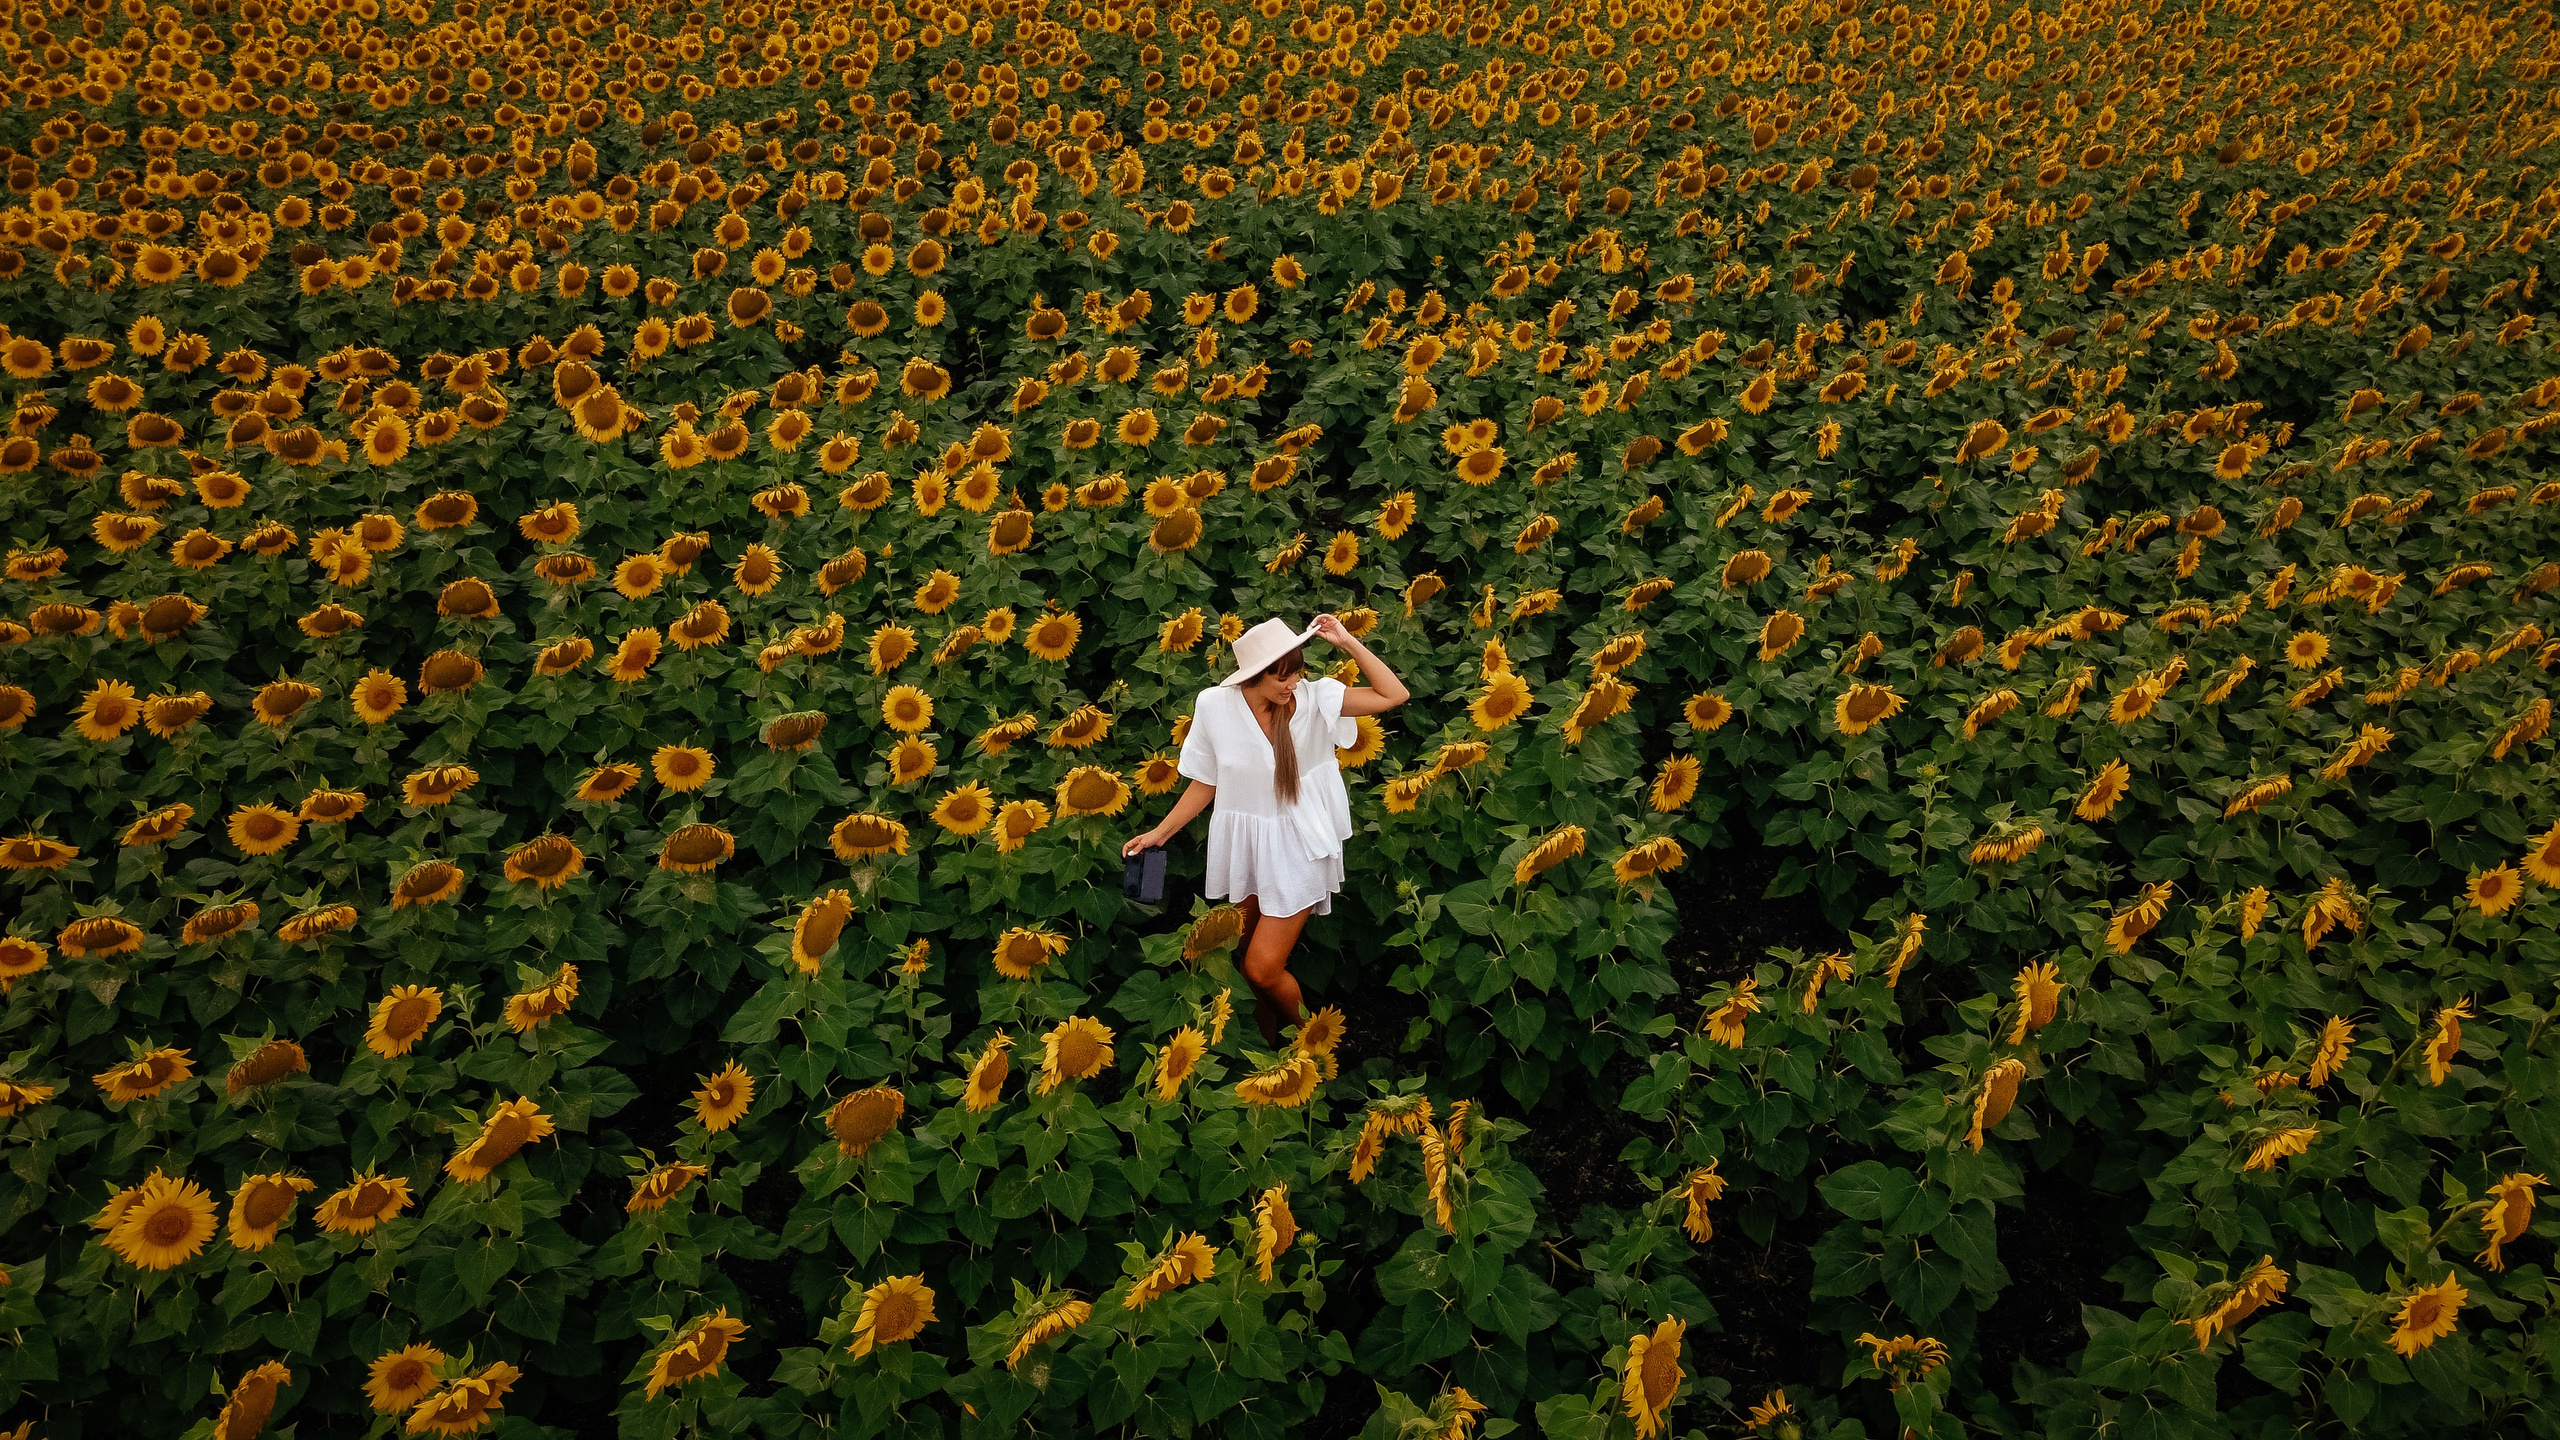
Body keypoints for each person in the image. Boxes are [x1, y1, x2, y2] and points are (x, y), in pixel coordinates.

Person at [1123, 613, 1409, 1045]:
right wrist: (1159, 834)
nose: (1293, 683)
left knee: (1262, 968)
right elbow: (1207, 780)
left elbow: (1394, 694)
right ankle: (1267, 1047)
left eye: (1298, 672)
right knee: (1243, 958)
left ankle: (1311, 1044)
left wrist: (1346, 641)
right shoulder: (1214, 705)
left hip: (1300, 846)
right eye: (1283, 677)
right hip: (1247, 845)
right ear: (1254, 677)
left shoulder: (1315, 699)